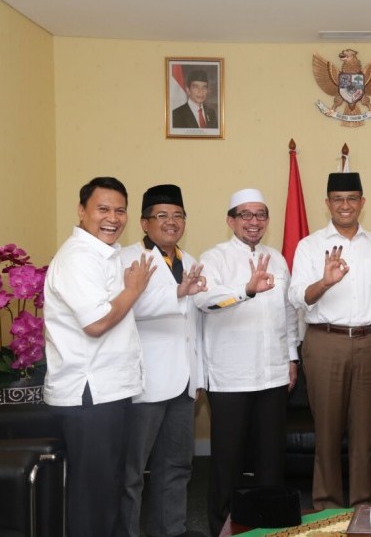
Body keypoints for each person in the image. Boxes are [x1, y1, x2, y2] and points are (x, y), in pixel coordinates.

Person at [43, 176, 155, 537]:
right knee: (94, 497)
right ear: (81, 210)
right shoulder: (78, 258)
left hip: (110, 390)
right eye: (102, 209)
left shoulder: (104, 254)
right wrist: (133, 290)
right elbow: (97, 322)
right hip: (89, 394)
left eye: (120, 210)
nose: (113, 217)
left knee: (109, 489)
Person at [192, 188, 299, 536]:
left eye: (261, 215)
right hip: (231, 377)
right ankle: (220, 527)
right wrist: (246, 291)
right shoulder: (214, 258)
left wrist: (292, 357)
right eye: (246, 215)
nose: (254, 222)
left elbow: (288, 313)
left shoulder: (278, 259)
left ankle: (267, 526)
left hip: (272, 374)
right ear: (231, 220)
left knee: (271, 461)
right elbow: (205, 301)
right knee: (228, 462)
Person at [288, 172, 371, 510]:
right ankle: (327, 505)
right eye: (338, 199)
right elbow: (297, 298)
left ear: (362, 203)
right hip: (325, 343)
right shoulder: (309, 246)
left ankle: (364, 503)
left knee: (365, 434)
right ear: (327, 204)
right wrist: (325, 281)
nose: (345, 205)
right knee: (328, 434)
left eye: (352, 198)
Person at [118, 184, 207, 537]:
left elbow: (195, 324)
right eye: (162, 216)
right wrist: (177, 292)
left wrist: (197, 377)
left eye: (178, 215)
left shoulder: (191, 260)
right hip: (144, 382)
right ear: (144, 223)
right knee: (131, 471)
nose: (171, 222)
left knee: (177, 466)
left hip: (183, 383)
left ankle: (171, 530)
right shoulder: (127, 259)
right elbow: (126, 311)